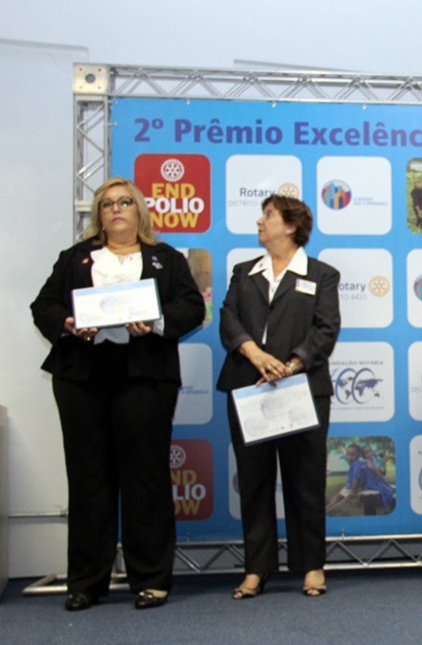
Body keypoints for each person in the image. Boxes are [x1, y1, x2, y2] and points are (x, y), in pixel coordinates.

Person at [30, 176, 204, 611]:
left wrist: (156, 321)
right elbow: (44, 305)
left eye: (124, 202)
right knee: (88, 479)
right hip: (82, 378)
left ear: (139, 210)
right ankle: (86, 582)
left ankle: (151, 579)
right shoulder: (75, 258)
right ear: (99, 215)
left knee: (146, 478)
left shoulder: (166, 258)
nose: (116, 209)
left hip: (145, 377)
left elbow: (191, 307)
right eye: (107, 204)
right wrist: (68, 323)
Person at [218, 194, 341, 598]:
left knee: (305, 480)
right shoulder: (243, 272)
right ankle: (256, 569)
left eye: (268, 215)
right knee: (254, 481)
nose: (260, 221)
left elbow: (326, 329)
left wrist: (290, 365)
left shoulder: (322, 274)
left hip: (301, 387)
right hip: (248, 385)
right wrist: (255, 355)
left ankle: (312, 566)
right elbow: (228, 318)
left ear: (290, 226)